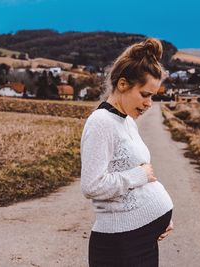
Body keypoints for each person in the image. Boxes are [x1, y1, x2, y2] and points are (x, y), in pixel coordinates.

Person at [80, 37, 174, 267]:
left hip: (140, 237)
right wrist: (139, 176)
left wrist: (159, 216)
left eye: (153, 95)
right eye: (145, 94)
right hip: (121, 244)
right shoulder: (101, 122)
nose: (149, 103)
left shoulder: (127, 121)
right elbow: (91, 185)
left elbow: (139, 174)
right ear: (123, 84)